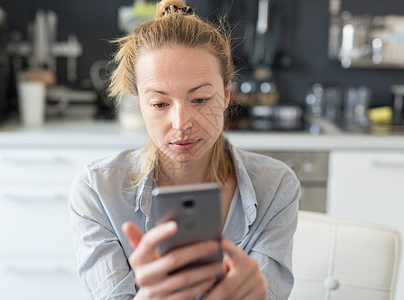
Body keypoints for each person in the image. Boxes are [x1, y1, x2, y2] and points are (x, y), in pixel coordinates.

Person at [69, 0, 300, 299]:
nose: (181, 124)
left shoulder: (276, 187)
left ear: (227, 93)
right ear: (139, 103)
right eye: (160, 104)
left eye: (201, 99)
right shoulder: (97, 191)